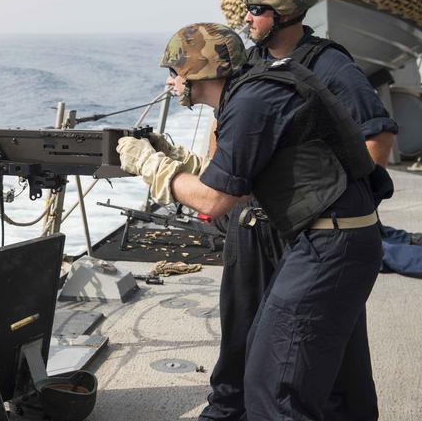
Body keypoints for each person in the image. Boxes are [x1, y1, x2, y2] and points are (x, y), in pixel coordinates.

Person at [117, 22, 390, 419]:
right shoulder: (256, 90)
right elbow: (240, 181)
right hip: (334, 238)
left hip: (329, 244)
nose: (171, 82)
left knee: (276, 388)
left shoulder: (250, 103)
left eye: (175, 71)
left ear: (199, 71)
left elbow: (213, 200)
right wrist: (174, 158)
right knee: (318, 382)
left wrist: (149, 164)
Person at [193, 0, 399, 421]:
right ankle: (228, 410)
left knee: (314, 343)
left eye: (256, 9)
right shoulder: (251, 63)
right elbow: (228, 127)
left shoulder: (330, 65)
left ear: (285, 13)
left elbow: (378, 136)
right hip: (253, 222)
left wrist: (342, 200)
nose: (246, 18)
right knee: (242, 329)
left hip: (309, 227)